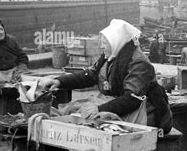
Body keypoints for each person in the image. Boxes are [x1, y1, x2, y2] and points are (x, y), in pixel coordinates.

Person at [39, 19, 173, 133]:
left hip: (143, 112)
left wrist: (100, 109)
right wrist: (58, 82)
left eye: (105, 43)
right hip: (120, 104)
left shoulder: (138, 62)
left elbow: (132, 99)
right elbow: (89, 76)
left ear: (116, 41)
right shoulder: (111, 55)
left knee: (91, 119)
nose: (102, 47)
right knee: (74, 109)